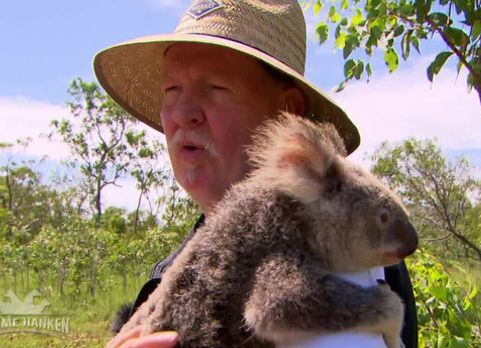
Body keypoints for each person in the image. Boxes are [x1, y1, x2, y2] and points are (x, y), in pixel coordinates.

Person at [95, 0, 418, 347]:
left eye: (215, 88)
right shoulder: (173, 273)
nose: (183, 113)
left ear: (286, 115)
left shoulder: (343, 257)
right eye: (171, 90)